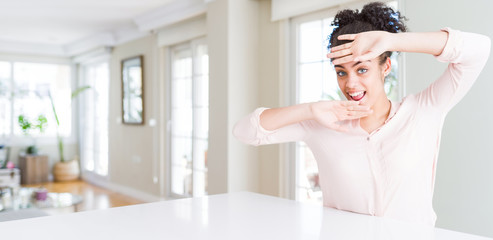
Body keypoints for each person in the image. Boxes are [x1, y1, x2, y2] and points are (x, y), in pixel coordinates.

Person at [233, 2, 491, 226]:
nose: (351, 84)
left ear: (385, 66)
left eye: (362, 69)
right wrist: (309, 109)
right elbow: (245, 131)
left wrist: (392, 40)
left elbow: (478, 49)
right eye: (341, 72)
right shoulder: (321, 123)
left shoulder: (424, 111)